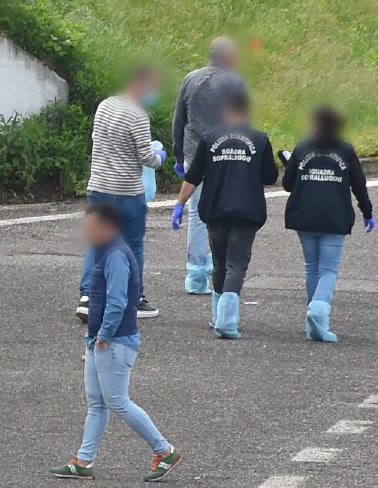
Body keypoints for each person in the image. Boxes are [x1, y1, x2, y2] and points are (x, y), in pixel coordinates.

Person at [52, 203, 182, 482]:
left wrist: (103, 336)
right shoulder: (107, 252)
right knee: (97, 402)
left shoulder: (116, 256)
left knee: (117, 401)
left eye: (91, 227)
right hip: (100, 339)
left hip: (113, 341)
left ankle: (164, 451)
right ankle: (83, 461)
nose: (86, 233)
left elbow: (117, 301)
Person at [170, 91, 277, 339]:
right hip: (246, 211)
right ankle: (227, 320)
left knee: (219, 263)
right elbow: (270, 176)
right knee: (236, 264)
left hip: (215, 210)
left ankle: (217, 315)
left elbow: (193, 175)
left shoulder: (210, 137)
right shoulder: (259, 139)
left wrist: (180, 204)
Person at [76, 66, 169, 322]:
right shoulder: (138, 115)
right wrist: (161, 156)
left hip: (98, 186)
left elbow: (96, 139)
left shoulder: (104, 106)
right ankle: (133, 298)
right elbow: (147, 158)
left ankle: (88, 297)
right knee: (133, 244)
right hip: (126, 190)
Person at [281, 106, 376, 343]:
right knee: (329, 270)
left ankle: (313, 320)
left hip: (304, 215)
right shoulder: (345, 150)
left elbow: (288, 184)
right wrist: (367, 212)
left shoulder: (302, 148)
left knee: (312, 268)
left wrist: (291, 164)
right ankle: (318, 309)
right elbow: (359, 184)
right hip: (335, 216)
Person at [171, 36, 249, 295]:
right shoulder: (235, 82)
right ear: (228, 56)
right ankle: (222, 269)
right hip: (226, 155)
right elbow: (243, 122)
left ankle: (195, 274)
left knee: (196, 213)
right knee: (225, 213)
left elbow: (179, 120)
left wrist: (179, 156)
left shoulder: (191, 79)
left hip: (194, 153)